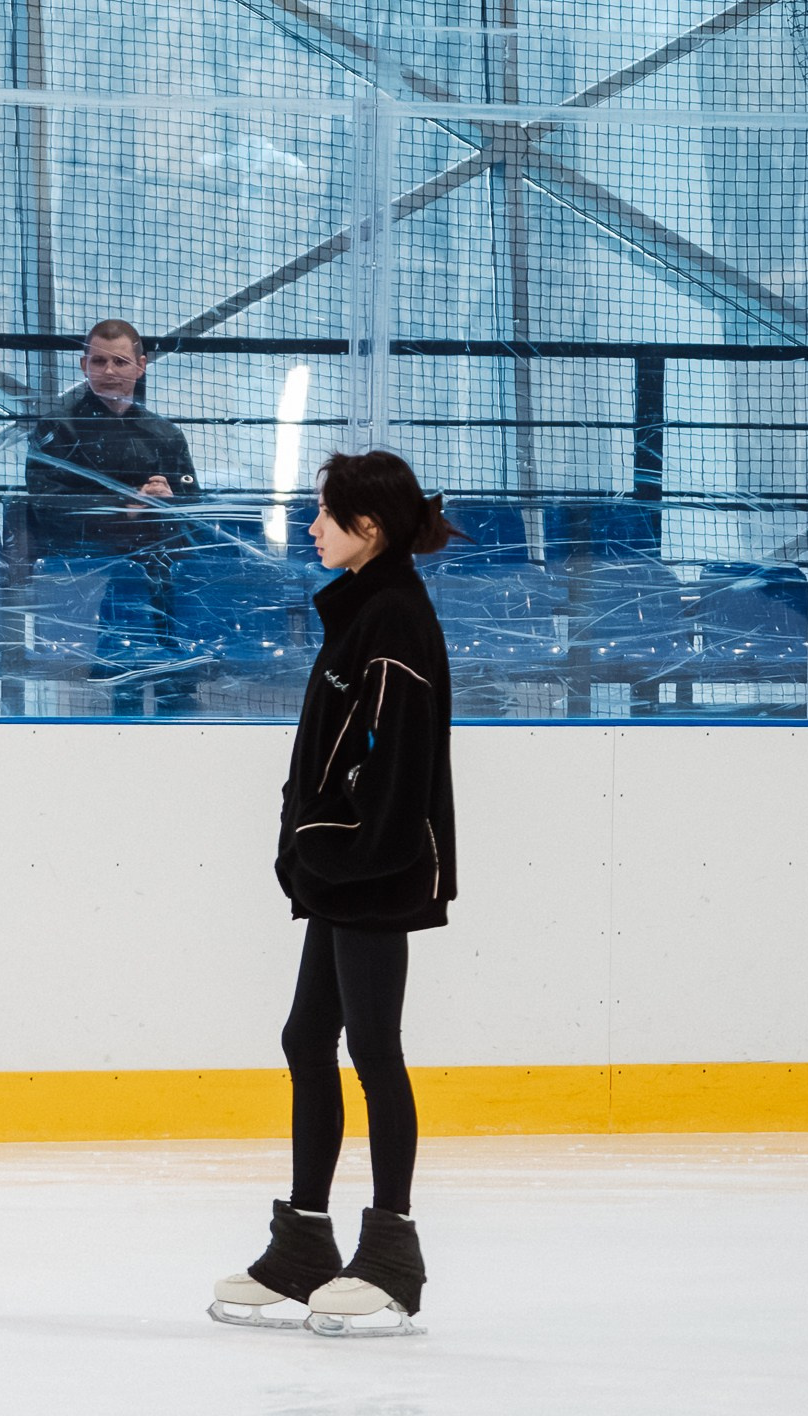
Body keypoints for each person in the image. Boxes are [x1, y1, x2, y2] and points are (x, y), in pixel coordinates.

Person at [210, 451, 460, 1338]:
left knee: (373, 1047)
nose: (311, 527)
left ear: (370, 530)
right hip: (344, 866)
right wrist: (306, 844)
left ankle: (391, 1254)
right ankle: (304, 1242)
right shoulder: (363, 607)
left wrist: (337, 852)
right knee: (307, 1035)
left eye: (324, 514)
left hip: (373, 868)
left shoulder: (393, 616)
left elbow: (394, 770)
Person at [23, 319, 199, 711]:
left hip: (163, 579)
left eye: (119, 362)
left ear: (141, 364)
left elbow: (192, 509)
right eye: (99, 361)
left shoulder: (165, 434)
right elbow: (48, 505)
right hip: (93, 581)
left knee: (178, 688)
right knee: (125, 690)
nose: (109, 372)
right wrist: (126, 509)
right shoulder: (58, 429)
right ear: (83, 364)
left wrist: (167, 498)